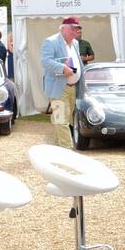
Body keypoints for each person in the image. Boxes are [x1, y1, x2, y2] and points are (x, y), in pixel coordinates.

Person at [41, 17, 82, 150]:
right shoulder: (51, 41)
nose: (75, 31)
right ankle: (67, 150)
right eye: (72, 28)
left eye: (77, 29)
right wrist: (63, 68)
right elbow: (45, 62)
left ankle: (58, 148)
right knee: (61, 120)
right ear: (63, 28)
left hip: (72, 87)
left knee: (64, 119)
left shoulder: (75, 43)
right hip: (57, 88)